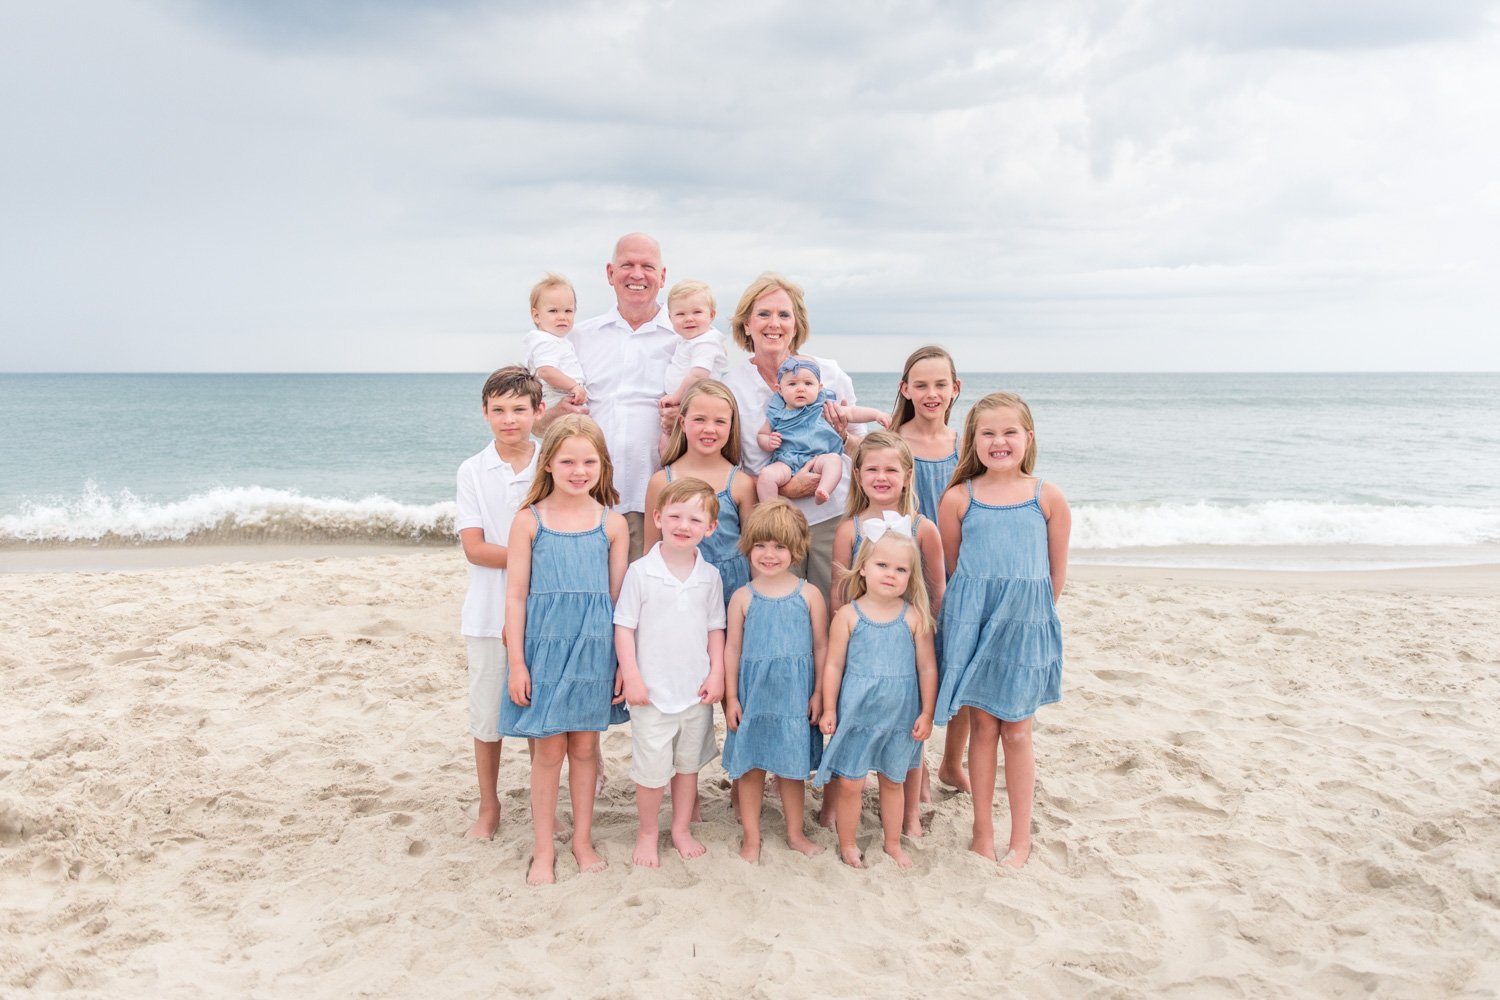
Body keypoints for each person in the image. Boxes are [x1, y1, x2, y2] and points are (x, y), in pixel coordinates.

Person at [936, 392, 1071, 868]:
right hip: (973, 627)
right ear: (972, 441)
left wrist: (1027, 620)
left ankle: (1021, 836)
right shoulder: (958, 498)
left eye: (1009, 432)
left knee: (1017, 731)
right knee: (983, 728)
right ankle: (981, 831)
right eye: (987, 433)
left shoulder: (1046, 496)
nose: (999, 441)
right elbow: (956, 572)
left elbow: (1054, 577)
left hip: (1025, 627)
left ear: (1028, 438)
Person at [501, 415, 630, 885]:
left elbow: (618, 603)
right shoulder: (528, 521)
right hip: (543, 650)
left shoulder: (612, 524)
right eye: (568, 460)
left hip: (594, 649)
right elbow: (515, 596)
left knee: (585, 747)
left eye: (589, 461)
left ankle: (581, 839)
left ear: (603, 465)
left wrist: (621, 660)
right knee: (548, 751)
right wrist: (517, 662)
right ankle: (542, 850)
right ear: (549, 463)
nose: (579, 470)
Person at [828, 430, 945, 835]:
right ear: (857, 474)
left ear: (908, 474)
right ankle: (835, 807)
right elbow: (838, 593)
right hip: (862, 647)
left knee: (908, 736)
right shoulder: (850, 530)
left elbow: (937, 588)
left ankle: (910, 814)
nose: (882, 476)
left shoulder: (923, 528)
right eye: (872, 468)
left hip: (908, 647)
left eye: (891, 469)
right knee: (851, 729)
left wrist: (926, 636)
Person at [720, 273, 864, 603]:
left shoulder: (829, 374)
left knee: (837, 609)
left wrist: (842, 437)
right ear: (746, 325)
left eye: (784, 315)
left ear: (797, 324)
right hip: (773, 526)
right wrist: (786, 489)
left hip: (833, 517)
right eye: (763, 314)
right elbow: (732, 465)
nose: (775, 324)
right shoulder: (732, 387)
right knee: (784, 612)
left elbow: (863, 451)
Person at [614, 478, 727, 867]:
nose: (683, 525)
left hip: (694, 690)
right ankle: (648, 830)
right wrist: (631, 676)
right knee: (650, 770)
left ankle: (680, 828)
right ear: (658, 517)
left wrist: (717, 675)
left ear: (710, 527)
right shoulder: (641, 572)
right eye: (675, 515)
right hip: (652, 693)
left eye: (695, 519)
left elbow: (716, 629)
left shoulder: (710, 576)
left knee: (687, 766)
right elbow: (624, 627)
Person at [815, 520, 937, 869]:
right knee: (851, 784)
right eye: (882, 565)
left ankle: (893, 842)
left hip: (899, 716)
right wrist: (828, 708)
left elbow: (927, 668)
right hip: (856, 714)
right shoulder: (848, 615)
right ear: (864, 567)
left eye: (901, 569)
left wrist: (927, 712)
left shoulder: (913, 617)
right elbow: (833, 666)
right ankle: (849, 843)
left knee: (893, 781)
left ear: (910, 576)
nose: (890, 574)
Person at [455, 366, 542, 841]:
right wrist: (534, 557)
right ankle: (489, 808)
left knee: (538, 719)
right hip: (488, 614)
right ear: (485, 413)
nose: (510, 420)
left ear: (538, 412)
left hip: (546, 613)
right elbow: (475, 548)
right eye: (499, 410)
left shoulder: (553, 462)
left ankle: (540, 806)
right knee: (487, 716)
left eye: (520, 410)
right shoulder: (473, 470)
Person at [721, 499, 828, 863]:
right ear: (749, 546)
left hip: (794, 697)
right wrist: (732, 698)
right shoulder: (742, 597)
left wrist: (819, 693)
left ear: (796, 549)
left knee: (791, 768)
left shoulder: (809, 594)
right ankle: (752, 837)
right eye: (761, 545)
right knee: (750, 767)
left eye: (780, 546)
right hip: (754, 697)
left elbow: (821, 647)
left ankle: (795, 833)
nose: (769, 554)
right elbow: (732, 650)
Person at [561, 233, 677, 560]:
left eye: (647, 266)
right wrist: (560, 410)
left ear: (663, 276)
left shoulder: (686, 341)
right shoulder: (579, 338)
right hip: (587, 501)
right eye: (627, 265)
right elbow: (541, 424)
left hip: (657, 505)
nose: (637, 274)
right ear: (610, 273)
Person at [889, 346, 971, 792]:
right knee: (913, 671)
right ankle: (913, 765)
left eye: (941, 384)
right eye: (921, 385)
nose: (931, 393)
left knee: (957, 667)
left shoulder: (965, 446)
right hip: (905, 573)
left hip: (959, 570)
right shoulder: (893, 441)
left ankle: (951, 762)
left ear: (955, 389)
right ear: (905, 389)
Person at [644, 380, 754, 606]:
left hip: (730, 592)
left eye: (720, 421)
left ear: (731, 426)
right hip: (674, 591)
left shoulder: (741, 484)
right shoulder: (661, 482)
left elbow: (754, 549)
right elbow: (650, 551)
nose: (709, 429)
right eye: (700, 419)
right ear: (682, 423)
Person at [755, 356, 889, 504]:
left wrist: (876, 414)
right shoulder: (777, 412)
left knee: (834, 460)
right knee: (766, 475)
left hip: (819, 457)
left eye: (808, 383)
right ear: (780, 390)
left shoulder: (823, 406)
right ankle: (770, 509)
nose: (801, 388)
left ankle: (824, 490)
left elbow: (852, 413)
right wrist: (768, 442)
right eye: (792, 384)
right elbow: (762, 434)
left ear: (819, 388)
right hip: (787, 461)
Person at [521, 274, 588, 410]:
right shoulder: (546, 341)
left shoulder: (556, 340)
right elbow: (546, 371)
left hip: (563, 393)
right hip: (555, 395)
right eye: (553, 311)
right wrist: (573, 386)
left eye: (568, 311)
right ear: (536, 316)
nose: (562, 317)